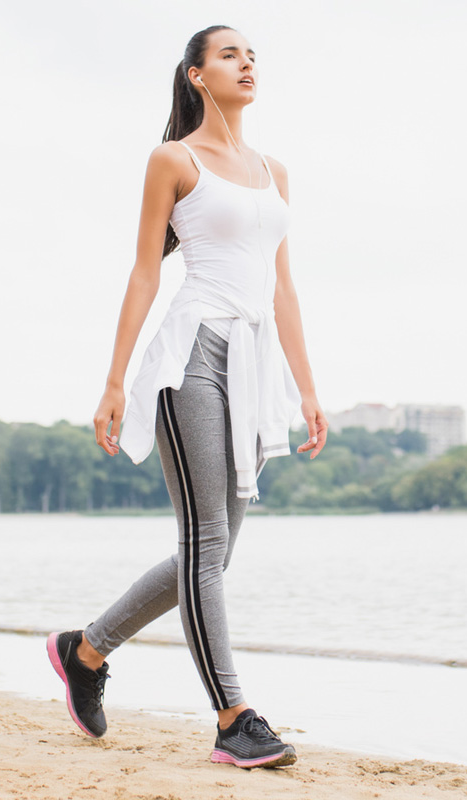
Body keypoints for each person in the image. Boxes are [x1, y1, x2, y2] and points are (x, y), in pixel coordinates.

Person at [46, 25, 327, 770]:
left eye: (252, 54)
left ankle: (86, 650)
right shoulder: (174, 159)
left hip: (252, 364)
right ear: (197, 75)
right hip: (189, 359)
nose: (247, 63)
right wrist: (113, 382)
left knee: (213, 551)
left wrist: (309, 389)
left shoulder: (275, 172)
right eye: (230, 54)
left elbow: (284, 287)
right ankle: (234, 718)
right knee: (206, 543)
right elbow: (145, 273)